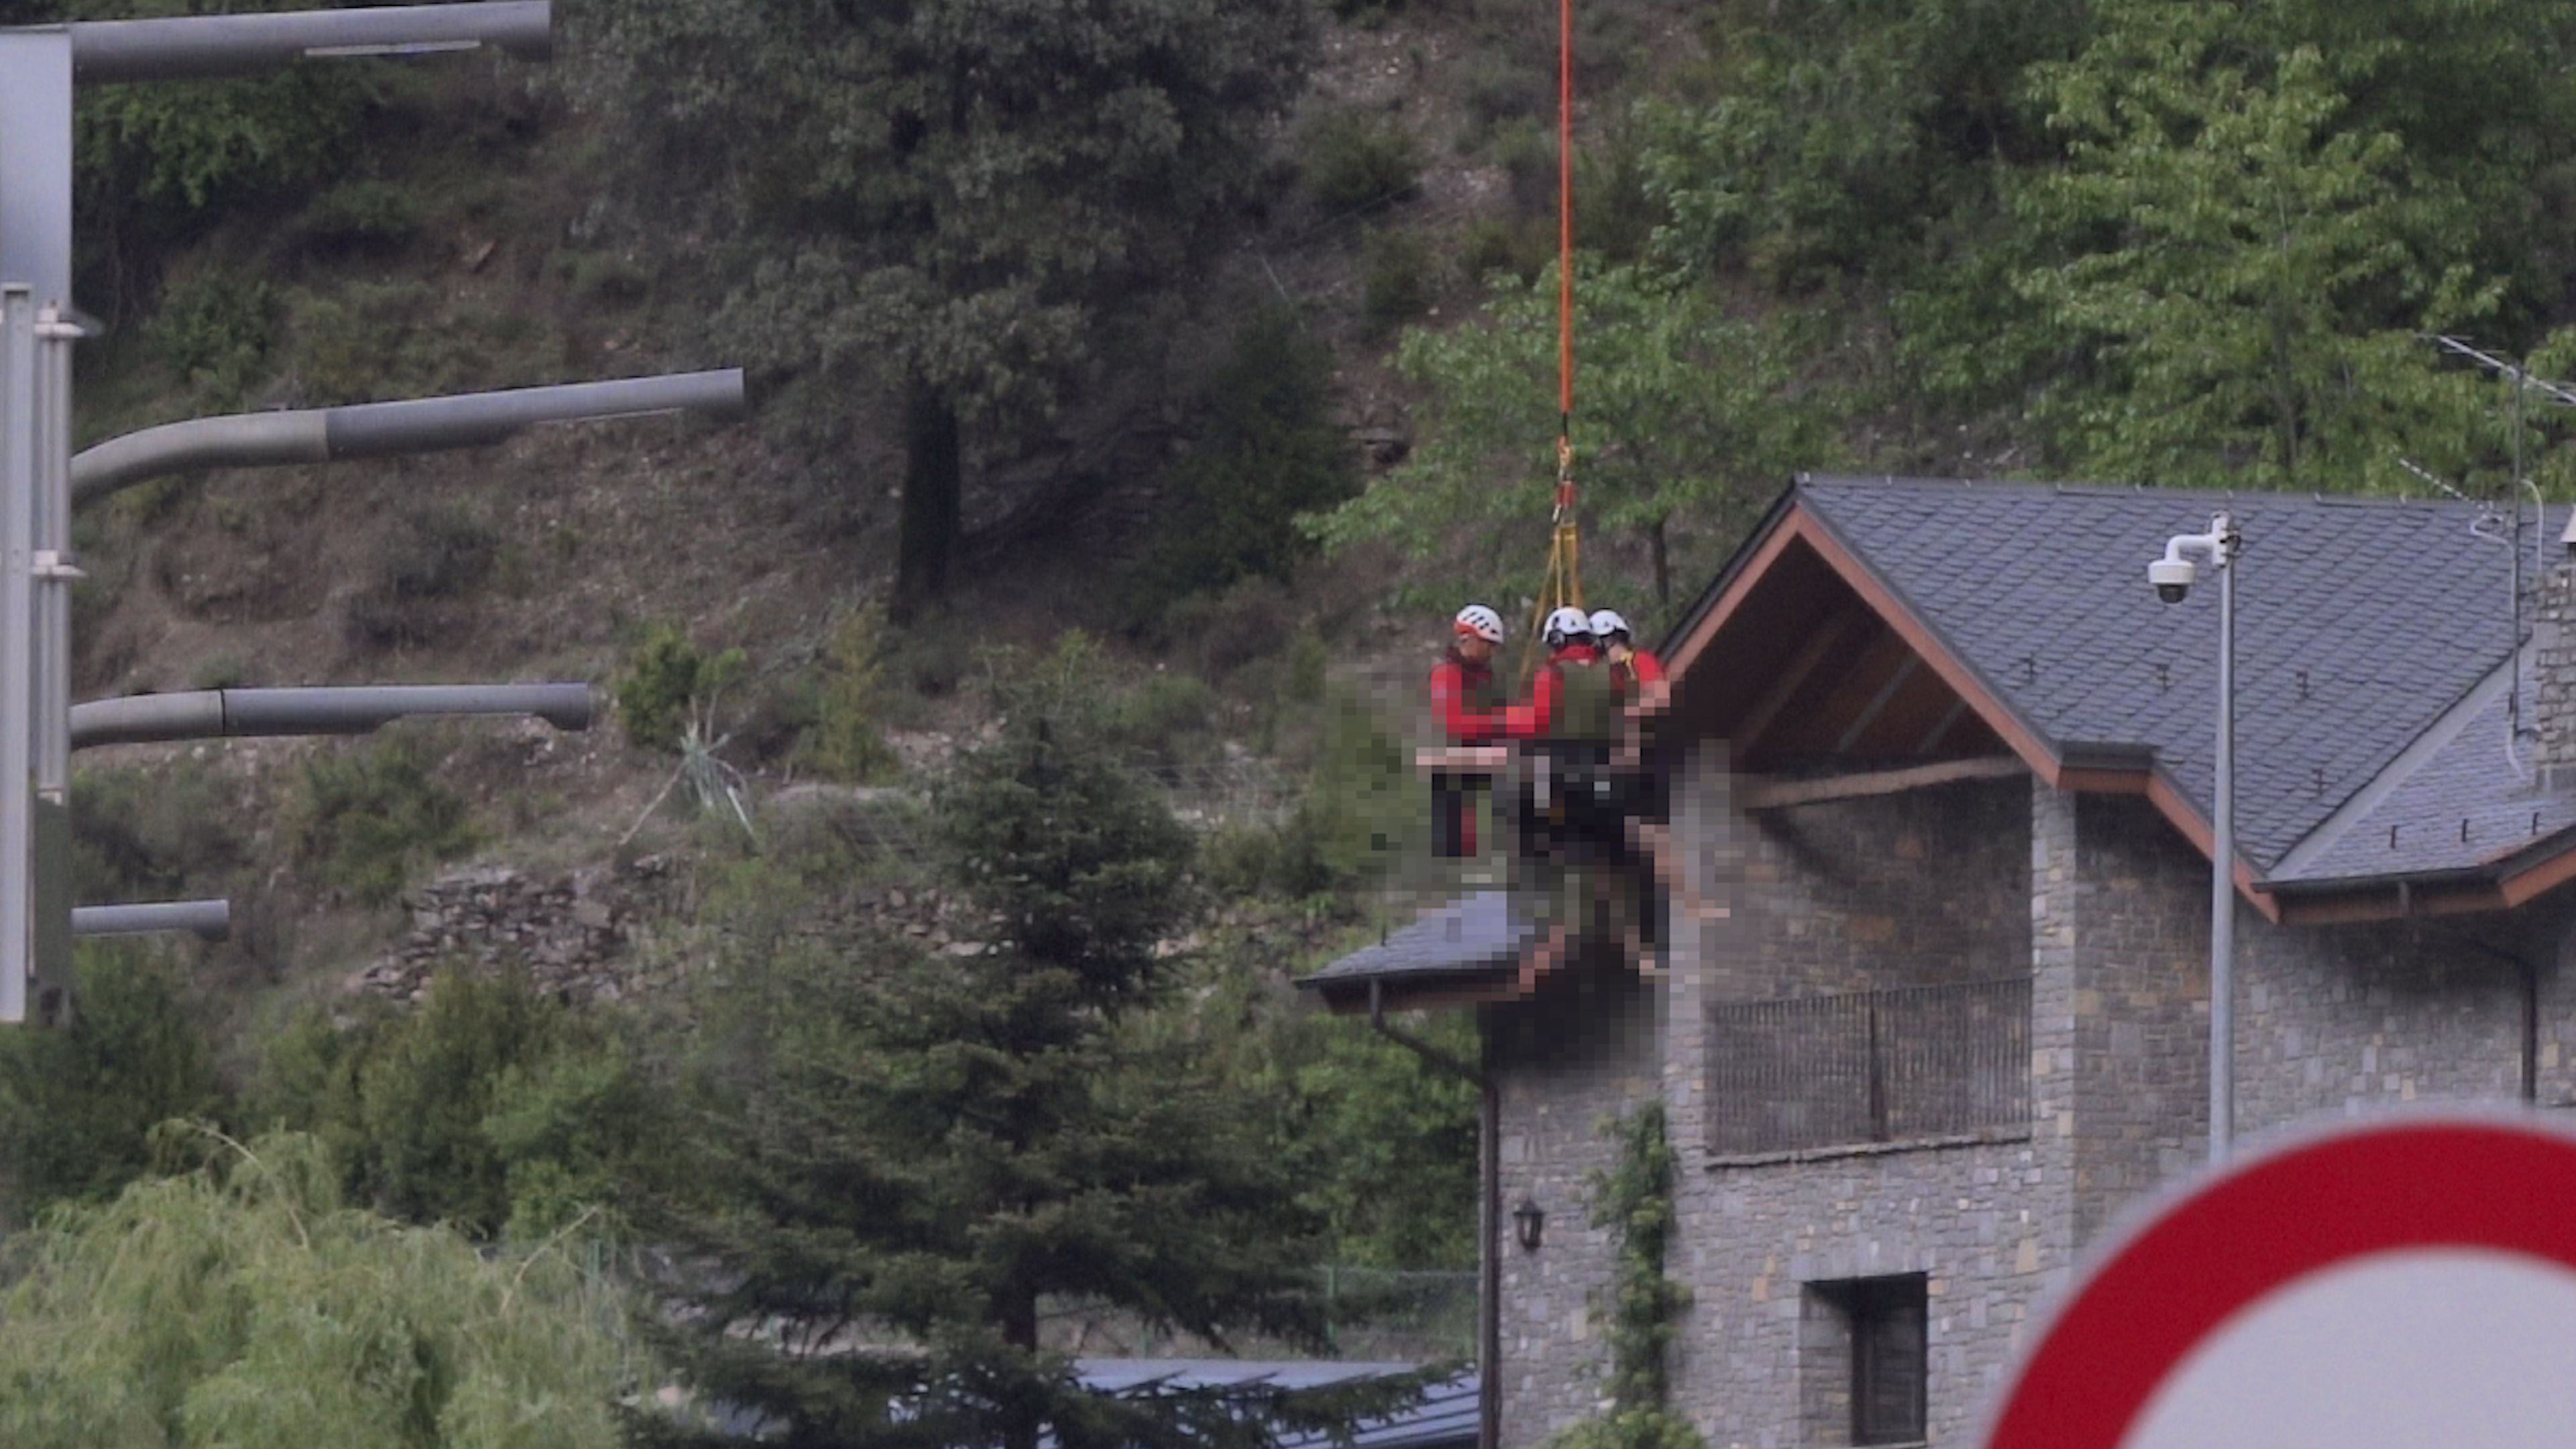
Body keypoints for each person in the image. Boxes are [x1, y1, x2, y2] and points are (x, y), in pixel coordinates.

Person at [1428, 604, 1507, 857]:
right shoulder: (1447, 674)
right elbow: (1449, 722)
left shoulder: (1483, 675)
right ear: (1471, 639)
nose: (1492, 652)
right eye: (1489, 644)